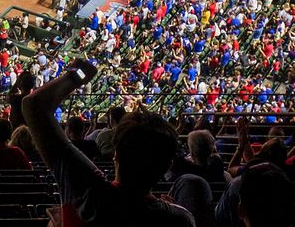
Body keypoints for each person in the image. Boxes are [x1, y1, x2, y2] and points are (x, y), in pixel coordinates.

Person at [23, 58, 192, 226]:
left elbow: (34, 105)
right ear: (166, 166)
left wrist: (78, 75)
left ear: (116, 154)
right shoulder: (180, 219)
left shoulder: (89, 192)